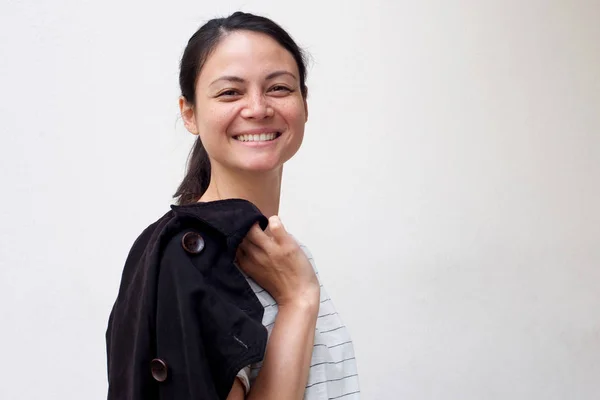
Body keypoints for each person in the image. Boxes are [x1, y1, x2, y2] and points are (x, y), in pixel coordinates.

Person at [106, 11, 359, 400]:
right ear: (189, 113)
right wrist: (298, 301)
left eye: (278, 88)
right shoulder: (191, 256)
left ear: (304, 104)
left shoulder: (281, 257)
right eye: (230, 92)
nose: (257, 108)